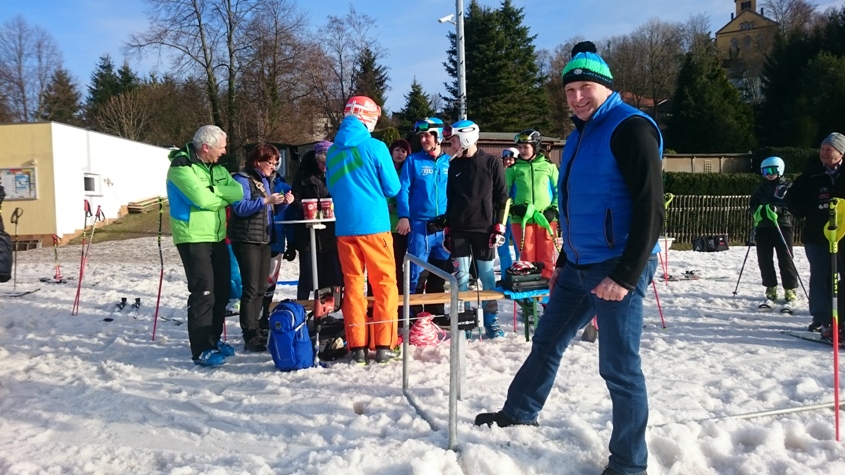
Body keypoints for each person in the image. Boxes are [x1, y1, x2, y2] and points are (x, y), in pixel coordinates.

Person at [474, 41, 663, 475]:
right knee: (547, 340)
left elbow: (651, 208)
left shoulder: (630, 127)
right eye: (569, 90)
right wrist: (562, 263)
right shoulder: (579, 134)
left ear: (605, 87)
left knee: (619, 368)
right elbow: (576, 206)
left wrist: (625, 275)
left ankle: (629, 464)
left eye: (585, 88)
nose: (577, 97)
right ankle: (520, 411)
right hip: (578, 264)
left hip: (618, 265)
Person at [326, 96, 401, 365]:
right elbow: (393, 187)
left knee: (353, 286)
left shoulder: (332, 152)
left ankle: (357, 346)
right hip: (375, 226)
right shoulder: (376, 147)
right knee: (384, 285)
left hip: (345, 228)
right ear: (368, 118)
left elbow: (332, 187)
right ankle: (384, 345)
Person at [166, 125, 245, 367]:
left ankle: (213, 340)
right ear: (206, 147)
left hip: (217, 237)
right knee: (204, 293)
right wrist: (220, 197)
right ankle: (201, 349)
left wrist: (215, 191)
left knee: (222, 291)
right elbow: (201, 199)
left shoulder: (218, 168)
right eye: (221, 147)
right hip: (193, 237)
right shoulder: (181, 167)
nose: (224, 151)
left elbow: (238, 192)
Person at [438, 119, 509, 339]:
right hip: (459, 230)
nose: (451, 146)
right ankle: (465, 321)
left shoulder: (491, 163)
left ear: (466, 139)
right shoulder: (454, 165)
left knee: (487, 277)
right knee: (461, 278)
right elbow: (450, 199)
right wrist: (448, 227)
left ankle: (491, 320)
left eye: (454, 141)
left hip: (484, 230)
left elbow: (503, 197)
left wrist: (500, 226)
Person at [229, 143, 293, 352]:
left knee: (261, 288)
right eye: (270, 162)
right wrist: (266, 200)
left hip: (265, 238)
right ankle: (249, 333)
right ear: (257, 162)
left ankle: (256, 327)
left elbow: (271, 210)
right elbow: (240, 207)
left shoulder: (267, 180)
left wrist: (284, 203)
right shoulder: (242, 179)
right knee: (251, 288)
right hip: (247, 239)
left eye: (276, 163)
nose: (273, 167)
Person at [788, 132, 845, 338]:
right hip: (817, 236)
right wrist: (810, 209)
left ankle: (841, 320)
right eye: (822, 149)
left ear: (841, 152)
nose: (824, 153)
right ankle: (821, 318)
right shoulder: (811, 175)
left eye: (829, 150)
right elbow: (792, 200)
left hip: (843, 236)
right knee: (820, 277)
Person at [396, 118, 452, 315]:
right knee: (416, 273)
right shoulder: (413, 161)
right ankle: (412, 316)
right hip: (420, 225)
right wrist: (404, 216)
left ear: (438, 136)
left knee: (441, 273)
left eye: (427, 136)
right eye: (421, 136)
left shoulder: (450, 162)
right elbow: (403, 189)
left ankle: (435, 314)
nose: (423, 140)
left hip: (444, 226)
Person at [289, 141, 343, 300]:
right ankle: (302, 307)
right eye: (321, 163)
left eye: (328, 163)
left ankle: (330, 307)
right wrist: (307, 210)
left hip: (330, 233)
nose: (324, 167)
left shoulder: (337, 175)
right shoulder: (303, 175)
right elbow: (295, 201)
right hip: (307, 233)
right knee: (307, 274)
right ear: (315, 159)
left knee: (331, 274)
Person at [507, 130, 559, 278]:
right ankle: (529, 286)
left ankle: (547, 285)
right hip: (522, 219)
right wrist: (514, 208)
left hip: (545, 218)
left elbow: (559, 192)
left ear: (535, 147)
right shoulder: (513, 169)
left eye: (526, 147)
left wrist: (554, 209)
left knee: (546, 255)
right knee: (527, 255)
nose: (522, 150)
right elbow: (504, 194)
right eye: (520, 147)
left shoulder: (549, 167)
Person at [749, 156, 798, 310]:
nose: (769, 174)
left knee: (785, 258)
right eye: (765, 171)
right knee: (764, 258)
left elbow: (792, 205)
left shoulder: (787, 187)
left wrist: (778, 210)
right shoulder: (761, 188)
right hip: (763, 226)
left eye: (772, 170)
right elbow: (753, 204)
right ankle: (771, 288)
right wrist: (755, 211)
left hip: (781, 225)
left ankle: (790, 289)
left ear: (780, 170)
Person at [386, 139, 412, 299]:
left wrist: (396, 205)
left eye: (403, 151)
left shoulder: (407, 171)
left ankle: (400, 298)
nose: (400, 154)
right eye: (397, 150)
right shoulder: (385, 169)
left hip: (401, 225)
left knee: (398, 263)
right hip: (385, 224)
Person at [497, 148, 520, 272]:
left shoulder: (520, 175)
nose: (507, 162)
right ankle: (505, 274)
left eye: (510, 159)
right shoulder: (500, 175)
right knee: (502, 246)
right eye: (505, 159)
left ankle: (520, 273)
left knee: (518, 247)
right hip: (503, 215)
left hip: (515, 215)